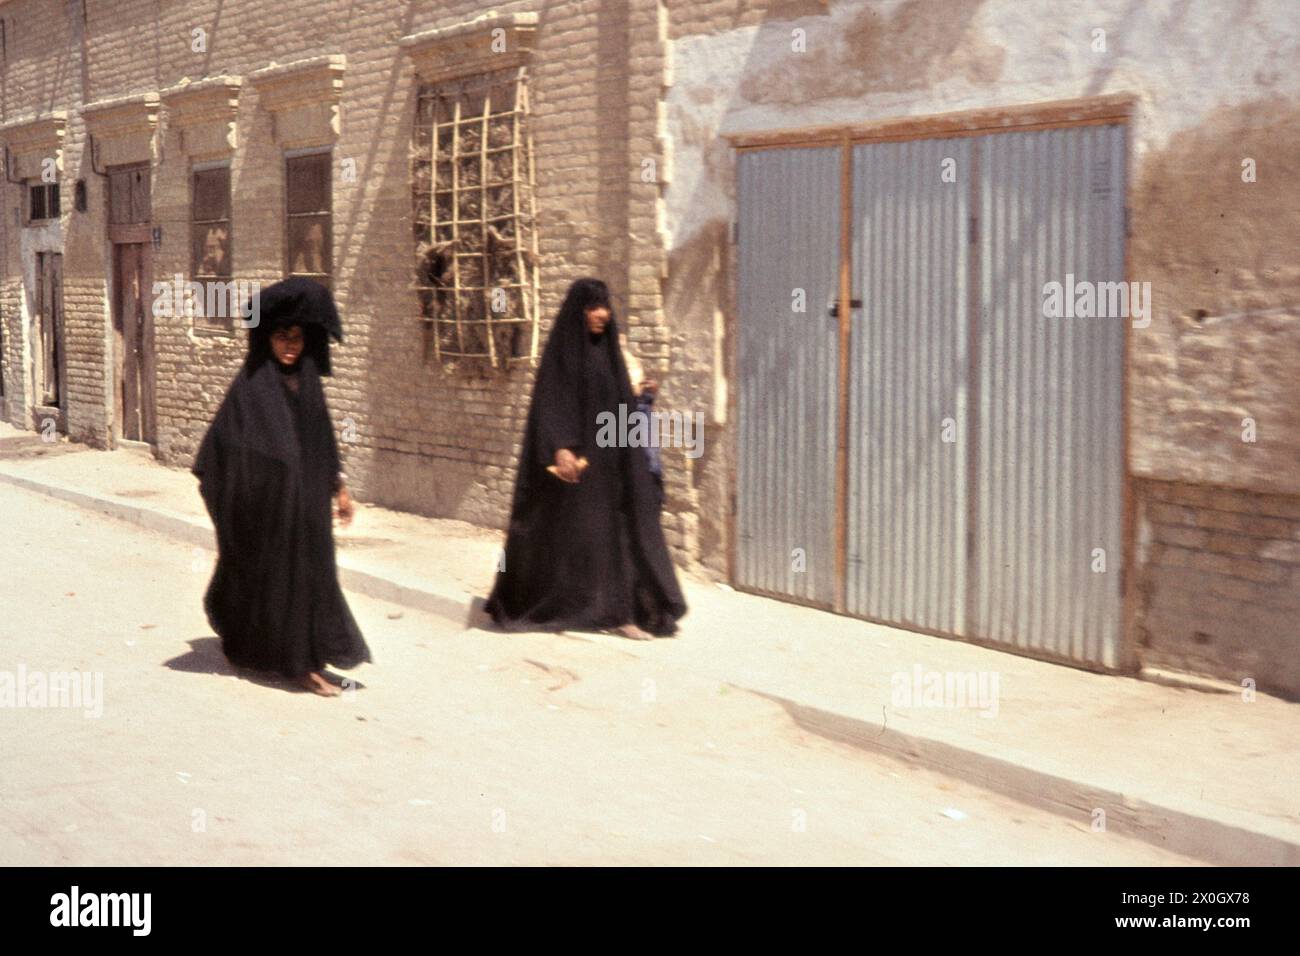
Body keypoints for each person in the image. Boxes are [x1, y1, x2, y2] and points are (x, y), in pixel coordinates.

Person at [192, 277, 371, 696]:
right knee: (276, 580)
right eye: (281, 336)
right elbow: (222, 449)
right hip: (267, 511)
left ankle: (303, 655)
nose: (290, 345)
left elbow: (323, 439)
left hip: (307, 508)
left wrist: (340, 488)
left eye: (297, 337)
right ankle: (299, 667)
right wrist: (259, 482)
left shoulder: (307, 379)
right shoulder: (253, 384)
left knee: (313, 579)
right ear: (267, 339)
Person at [484, 277, 687, 640]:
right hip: (579, 463)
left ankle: (623, 612)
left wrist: (637, 425)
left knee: (623, 532)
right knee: (581, 537)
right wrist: (561, 446)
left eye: (605, 306)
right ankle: (576, 605)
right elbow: (552, 401)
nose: (602, 315)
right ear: (578, 311)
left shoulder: (608, 354)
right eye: (593, 307)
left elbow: (619, 403)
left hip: (614, 461)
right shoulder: (563, 353)